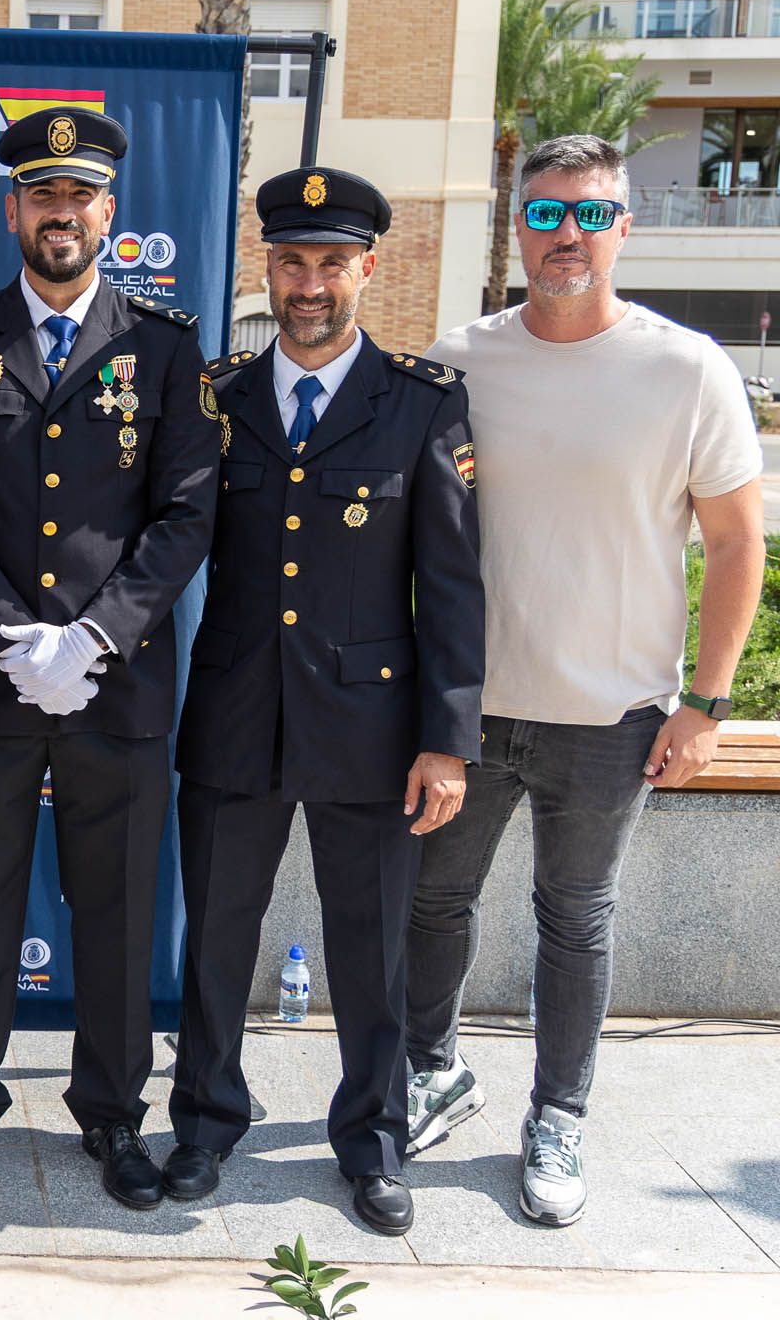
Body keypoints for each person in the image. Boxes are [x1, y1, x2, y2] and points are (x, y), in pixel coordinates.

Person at [404, 134, 765, 1227]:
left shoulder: (686, 366)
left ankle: (557, 1112)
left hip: (612, 715)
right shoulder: (457, 357)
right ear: (519, 225)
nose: (570, 236)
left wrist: (706, 702)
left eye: (593, 215)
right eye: (550, 215)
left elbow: (738, 541)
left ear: (625, 227)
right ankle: (431, 1069)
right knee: (431, 901)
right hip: (468, 707)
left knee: (577, 917)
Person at [0, 107, 218, 1209]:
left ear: (109, 213)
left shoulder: (167, 348)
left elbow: (185, 514)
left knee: (119, 913)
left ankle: (115, 1117)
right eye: (43, 196)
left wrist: (91, 634)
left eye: (79, 196)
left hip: (117, 685)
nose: (62, 214)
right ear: (13, 211)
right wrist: (10, 636)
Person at [166, 167, 484, 1237]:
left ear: (367, 270)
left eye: (331, 264)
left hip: (371, 728)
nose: (309, 284)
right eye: (292, 262)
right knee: (215, 933)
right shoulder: (217, 398)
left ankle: (373, 1137)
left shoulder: (423, 402)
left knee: (371, 944)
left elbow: (449, 583)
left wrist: (447, 741)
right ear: (270, 266)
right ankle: (208, 1117)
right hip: (234, 716)